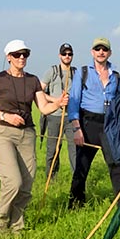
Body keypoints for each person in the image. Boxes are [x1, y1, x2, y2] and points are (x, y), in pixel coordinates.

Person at [0, 40, 66, 233]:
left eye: (25, 54)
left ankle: (17, 225)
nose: (21, 58)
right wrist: (6, 116)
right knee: (13, 181)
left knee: (27, 184)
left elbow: (44, 108)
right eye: (17, 54)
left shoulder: (33, 80)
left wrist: (58, 103)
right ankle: (1, 219)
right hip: (3, 133)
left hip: (27, 134)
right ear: (8, 57)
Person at [63, 37, 120, 208]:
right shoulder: (83, 73)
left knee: (116, 165)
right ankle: (75, 205)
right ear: (92, 52)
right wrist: (77, 128)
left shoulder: (116, 75)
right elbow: (74, 101)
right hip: (88, 122)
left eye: (104, 49)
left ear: (109, 53)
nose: (101, 52)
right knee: (81, 167)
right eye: (97, 49)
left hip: (108, 124)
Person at [40, 43, 75, 182]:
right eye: (64, 54)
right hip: (54, 116)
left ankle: (76, 179)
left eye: (70, 54)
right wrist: (55, 101)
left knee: (74, 150)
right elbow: (40, 91)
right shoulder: (52, 71)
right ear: (60, 55)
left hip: (71, 117)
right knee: (53, 149)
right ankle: (51, 178)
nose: (67, 56)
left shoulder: (76, 72)